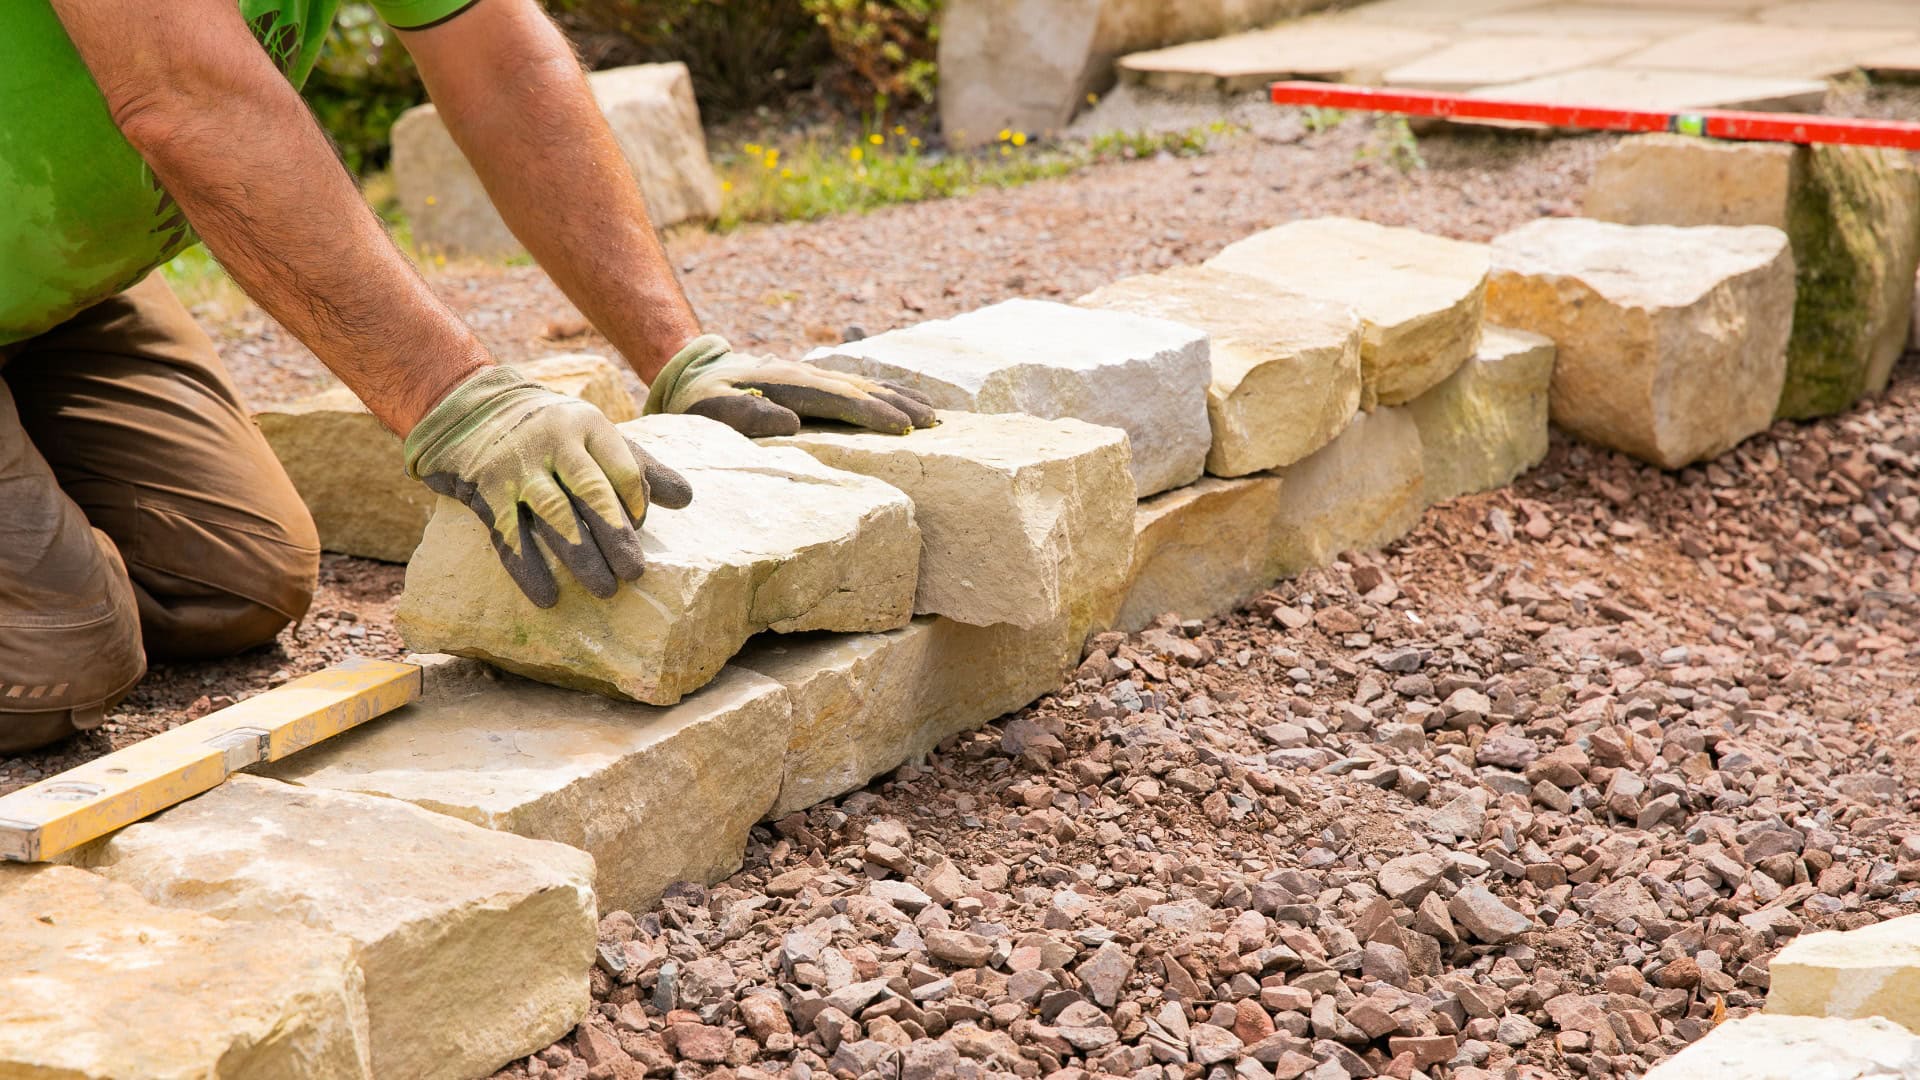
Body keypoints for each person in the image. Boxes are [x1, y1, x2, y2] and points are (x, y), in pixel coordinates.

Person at [1, 0, 937, 753]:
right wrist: (457, 398)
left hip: (62, 297)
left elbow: (501, 62)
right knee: (56, 655)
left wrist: (681, 355)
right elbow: (189, 98)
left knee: (234, 582)